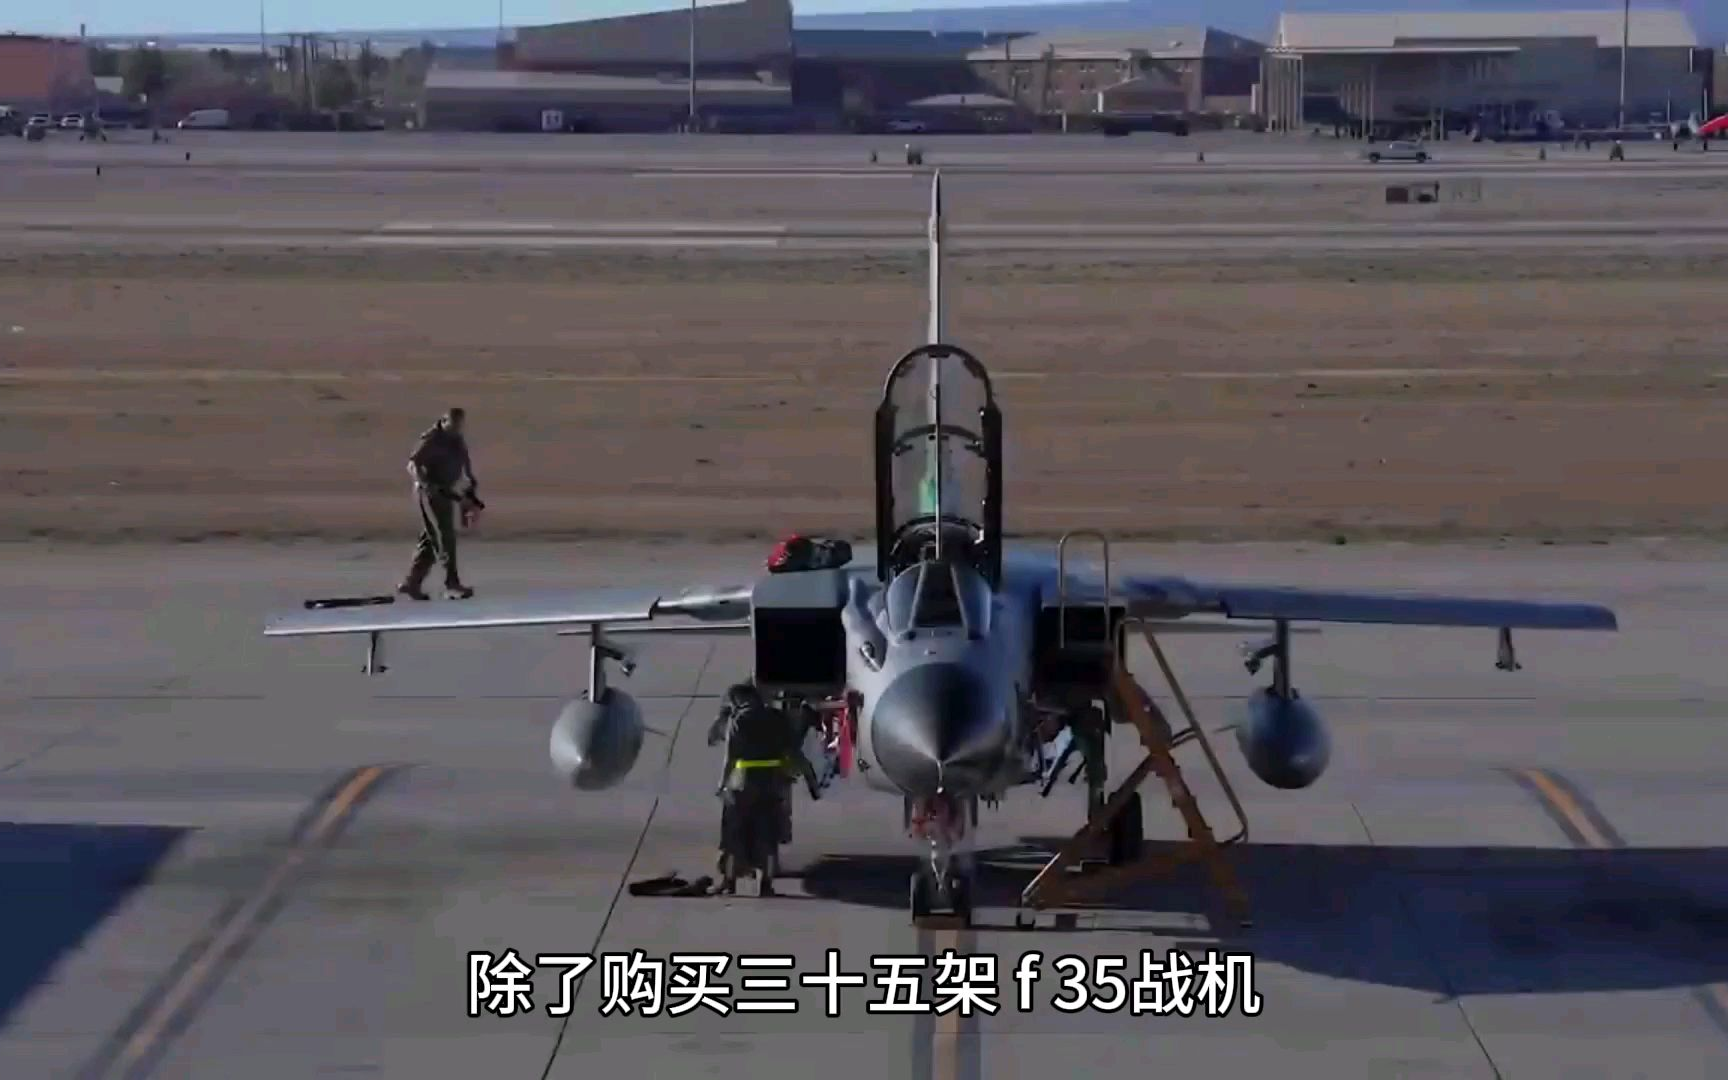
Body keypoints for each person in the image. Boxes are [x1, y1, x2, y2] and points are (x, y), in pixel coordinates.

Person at [399, 408, 478, 601]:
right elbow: (413, 464)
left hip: (446, 492)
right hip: (429, 493)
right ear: (444, 421)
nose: (457, 428)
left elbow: (465, 464)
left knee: (430, 538)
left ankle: (412, 583)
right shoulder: (431, 439)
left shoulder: (456, 440)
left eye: (460, 425)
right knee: (444, 536)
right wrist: (426, 484)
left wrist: (470, 490)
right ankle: (451, 584)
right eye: (453, 424)